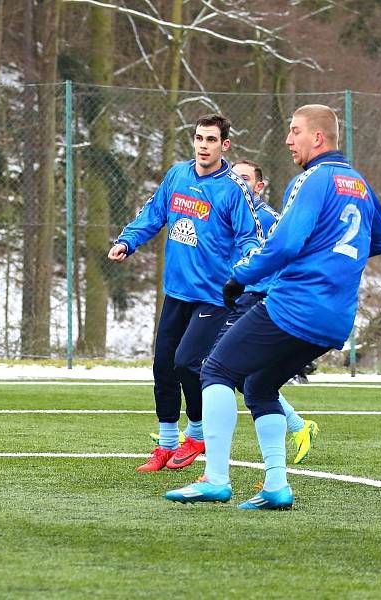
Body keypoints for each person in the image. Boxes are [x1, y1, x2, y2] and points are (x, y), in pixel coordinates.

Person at [167, 104, 381, 509]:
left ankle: (215, 478)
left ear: (317, 138)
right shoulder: (357, 182)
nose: (289, 140)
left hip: (296, 305)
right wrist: (338, 259)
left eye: (295, 132)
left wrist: (241, 277)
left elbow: (285, 243)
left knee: (215, 368)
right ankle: (276, 486)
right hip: (336, 318)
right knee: (259, 385)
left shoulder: (312, 179)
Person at [108, 114, 262, 472]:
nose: (203, 146)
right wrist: (127, 242)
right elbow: (152, 213)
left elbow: (250, 239)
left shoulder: (233, 189)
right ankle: (164, 444)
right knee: (163, 366)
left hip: (213, 295)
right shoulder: (177, 174)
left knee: (186, 363)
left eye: (210, 140)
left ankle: (197, 432)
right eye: (198, 138)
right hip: (177, 291)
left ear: (225, 145)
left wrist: (243, 273)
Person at [229, 159, 319, 464]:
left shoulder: (269, 218)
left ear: (259, 185)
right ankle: (298, 425)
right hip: (235, 292)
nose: (237, 183)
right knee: (220, 366)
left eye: (244, 178)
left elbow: (284, 251)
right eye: (234, 177)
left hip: (257, 295)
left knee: (220, 365)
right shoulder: (229, 208)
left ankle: (194, 435)